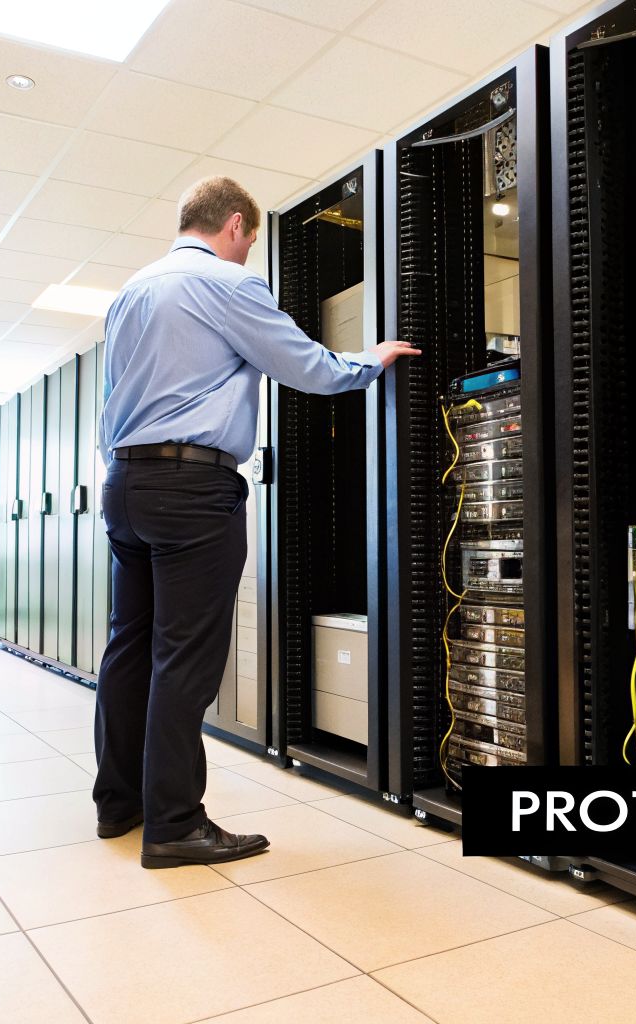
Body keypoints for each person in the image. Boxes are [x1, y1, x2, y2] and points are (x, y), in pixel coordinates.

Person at [95, 176, 420, 868]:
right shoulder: (228, 285)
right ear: (237, 225)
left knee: (130, 647)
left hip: (125, 481)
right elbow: (304, 366)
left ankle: (120, 803)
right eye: (250, 241)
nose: (248, 253)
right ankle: (176, 824)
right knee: (183, 657)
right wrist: (370, 361)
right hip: (192, 487)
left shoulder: (131, 291)